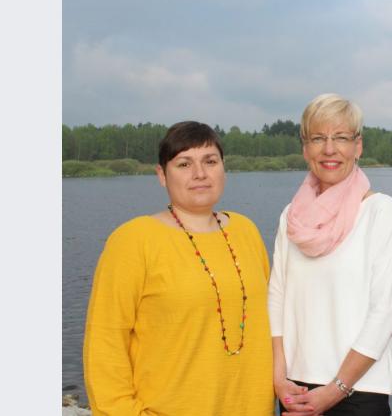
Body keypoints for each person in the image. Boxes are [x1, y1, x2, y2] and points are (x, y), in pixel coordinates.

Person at [83, 121, 274, 415]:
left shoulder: (245, 230)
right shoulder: (134, 240)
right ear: (162, 175)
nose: (200, 174)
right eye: (184, 164)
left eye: (210, 161)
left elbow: (272, 320)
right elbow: (105, 343)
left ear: (224, 168)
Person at [269, 93, 392, 416]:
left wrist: (335, 391)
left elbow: (385, 310)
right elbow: (276, 297)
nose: (329, 149)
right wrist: (278, 379)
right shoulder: (291, 217)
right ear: (305, 149)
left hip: (359, 393)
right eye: (318, 138)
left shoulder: (380, 212)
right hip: (296, 392)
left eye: (341, 138)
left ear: (358, 146)